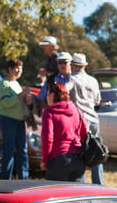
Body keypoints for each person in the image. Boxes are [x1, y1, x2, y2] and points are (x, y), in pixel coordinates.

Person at [38, 80, 88, 181]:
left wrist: (45, 160)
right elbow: (84, 132)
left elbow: (48, 139)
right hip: (78, 159)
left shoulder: (49, 112)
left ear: (52, 95)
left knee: (55, 194)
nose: (46, 97)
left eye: (47, 94)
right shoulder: (76, 109)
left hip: (58, 159)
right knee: (75, 195)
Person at [69, 52, 104, 184]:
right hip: (94, 118)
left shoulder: (71, 79)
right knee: (96, 150)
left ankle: (81, 184)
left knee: (80, 152)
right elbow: (97, 101)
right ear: (84, 66)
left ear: (72, 65)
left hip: (80, 120)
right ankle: (98, 183)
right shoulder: (93, 80)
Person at [0, 59, 30, 179]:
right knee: (9, 150)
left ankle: (23, 178)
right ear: (10, 69)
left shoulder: (16, 84)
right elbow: (6, 103)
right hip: (8, 120)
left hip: (20, 120)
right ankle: (6, 179)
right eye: (17, 68)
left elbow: (19, 101)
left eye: (21, 69)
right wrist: (21, 95)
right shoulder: (4, 84)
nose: (19, 71)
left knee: (23, 150)